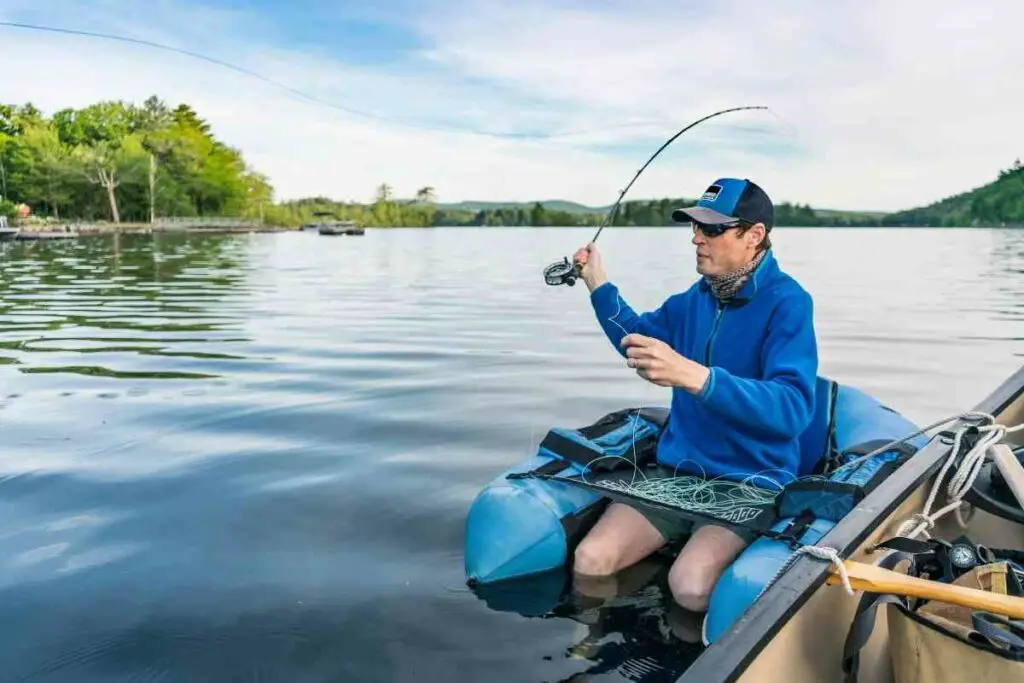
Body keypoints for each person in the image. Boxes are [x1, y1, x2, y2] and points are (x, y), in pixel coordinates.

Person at [570, 177, 818, 614]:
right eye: (695, 228)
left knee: (689, 585)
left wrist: (697, 377)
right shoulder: (694, 299)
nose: (696, 238)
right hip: (678, 473)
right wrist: (597, 282)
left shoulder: (789, 303)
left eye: (713, 229)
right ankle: (590, 649)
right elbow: (636, 338)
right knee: (591, 561)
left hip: (751, 481)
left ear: (753, 236)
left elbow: (793, 408)